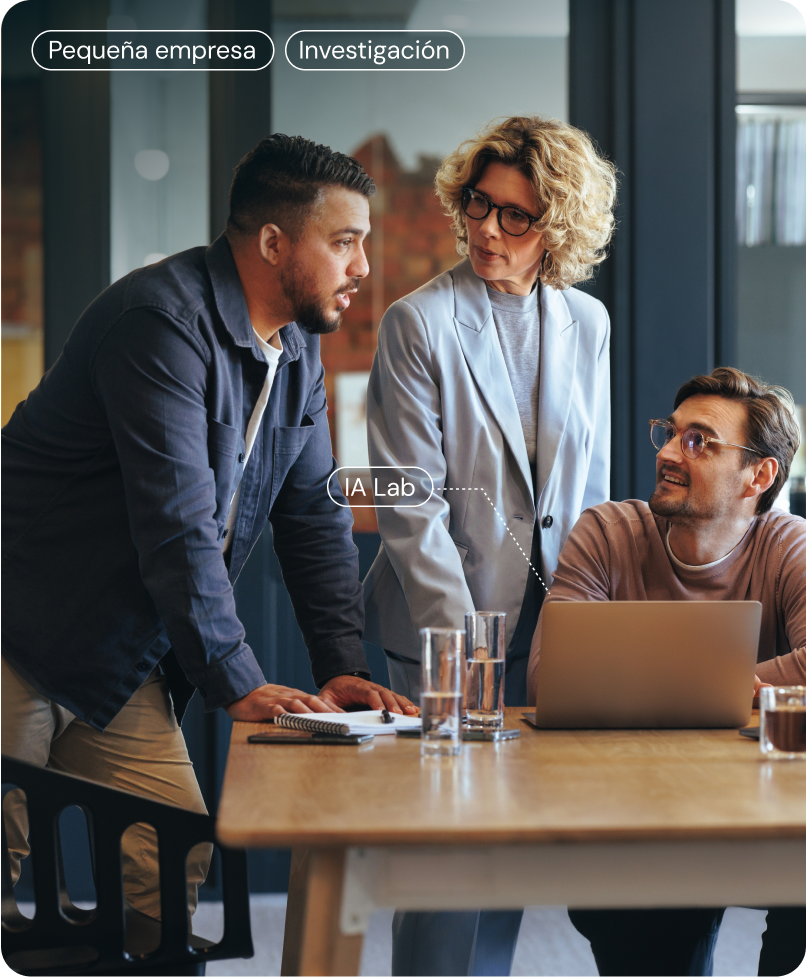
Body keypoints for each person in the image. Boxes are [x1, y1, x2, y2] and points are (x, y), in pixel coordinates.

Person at [1, 134, 415, 923]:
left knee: (171, 854)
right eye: (345, 241)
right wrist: (238, 678)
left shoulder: (294, 352)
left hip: (111, 654)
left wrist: (341, 670)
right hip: (18, 625)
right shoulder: (158, 321)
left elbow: (313, 516)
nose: (362, 266)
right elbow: (178, 523)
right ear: (272, 241)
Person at [363, 116, 617, 977]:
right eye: (480, 205)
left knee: (505, 852)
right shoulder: (418, 324)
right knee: (444, 865)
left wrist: (585, 620)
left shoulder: (587, 322)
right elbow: (409, 507)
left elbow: (590, 488)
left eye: (518, 217)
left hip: (549, 626)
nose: (489, 231)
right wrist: (464, 652)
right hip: (444, 629)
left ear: (561, 229)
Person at [527, 366, 806, 977]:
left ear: (758, 476)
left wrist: (678, 685)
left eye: (700, 440)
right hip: (641, 810)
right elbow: (550, 679)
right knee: (643, 921)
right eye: (671, 433)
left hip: (772, 812)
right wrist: (741, 687)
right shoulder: (607, 533)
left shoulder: (789, 544)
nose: (670, 453)